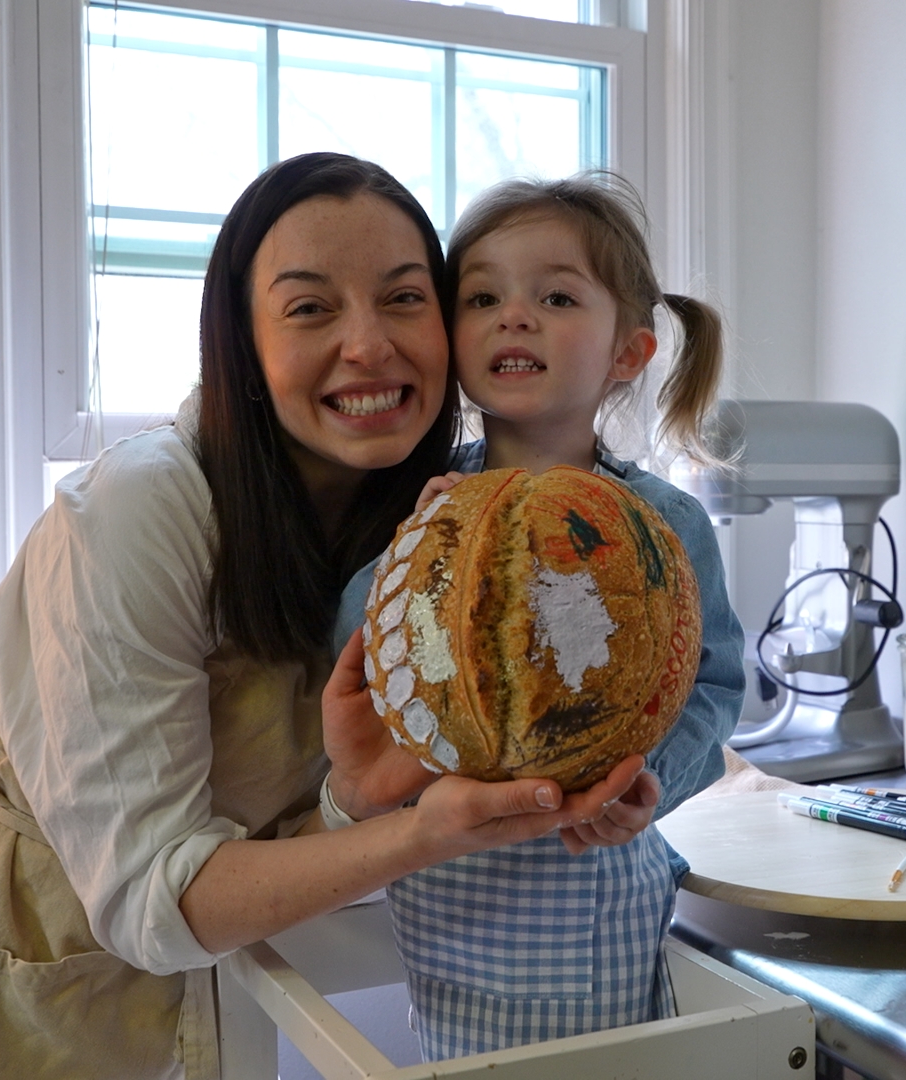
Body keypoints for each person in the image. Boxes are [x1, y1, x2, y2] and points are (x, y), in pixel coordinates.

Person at [0, 153, 650, 1080]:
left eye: (404, 299)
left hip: (198, 993)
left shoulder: (430, 518)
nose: (368, 345)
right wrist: (423, 832)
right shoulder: (141, 508)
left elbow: (281, 825)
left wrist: (357, 801)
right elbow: (153, 899)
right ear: (243, 342)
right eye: (311, 308)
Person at [330, 171, 744, 1061]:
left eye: (555, 296)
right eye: (482, 297)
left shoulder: (667, 525)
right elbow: (361, 670)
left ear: (628, 353)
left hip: (604, 893)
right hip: (449, 898)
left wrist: (645, 783)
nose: (514, 316)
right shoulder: (418, 509)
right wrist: (407, 552)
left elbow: (712, 688)